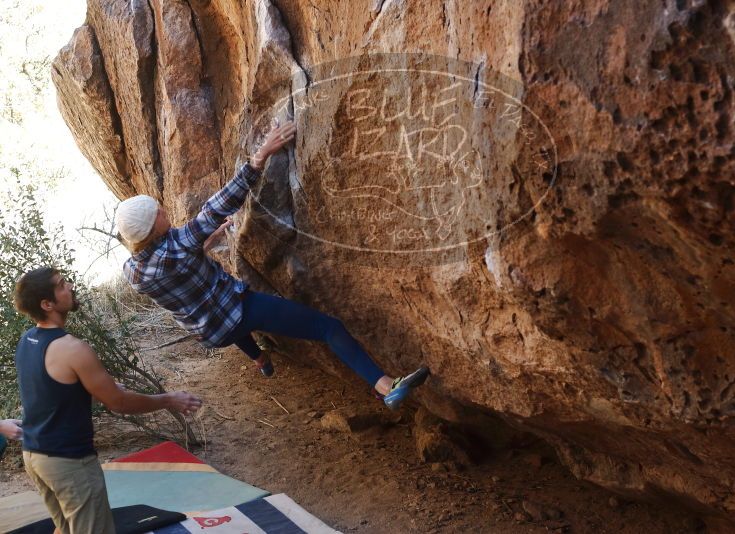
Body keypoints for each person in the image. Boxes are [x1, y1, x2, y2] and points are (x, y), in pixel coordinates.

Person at [115, 122, 429, 409]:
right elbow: (216, 207)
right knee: (328, 327)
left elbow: (179, 268)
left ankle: (260, 358)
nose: (161, 208)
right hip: (237, 312)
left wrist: (204, 243)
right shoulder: (180, 245)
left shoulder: (135, 271)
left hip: (211, 333)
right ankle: (387, 387)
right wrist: (260, 156)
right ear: (152, 228)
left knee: (221, 317)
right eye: (156, 212)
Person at [13, 267, 202, 534]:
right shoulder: (73, 349)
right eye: (61, 285)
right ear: (47, 304)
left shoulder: (27, 340)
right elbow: (120, 404)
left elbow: (50, 391)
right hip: (68, 462)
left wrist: (93, 389)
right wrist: (169, 399)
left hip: (35, 456)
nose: (70, 287)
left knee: (66, 529)